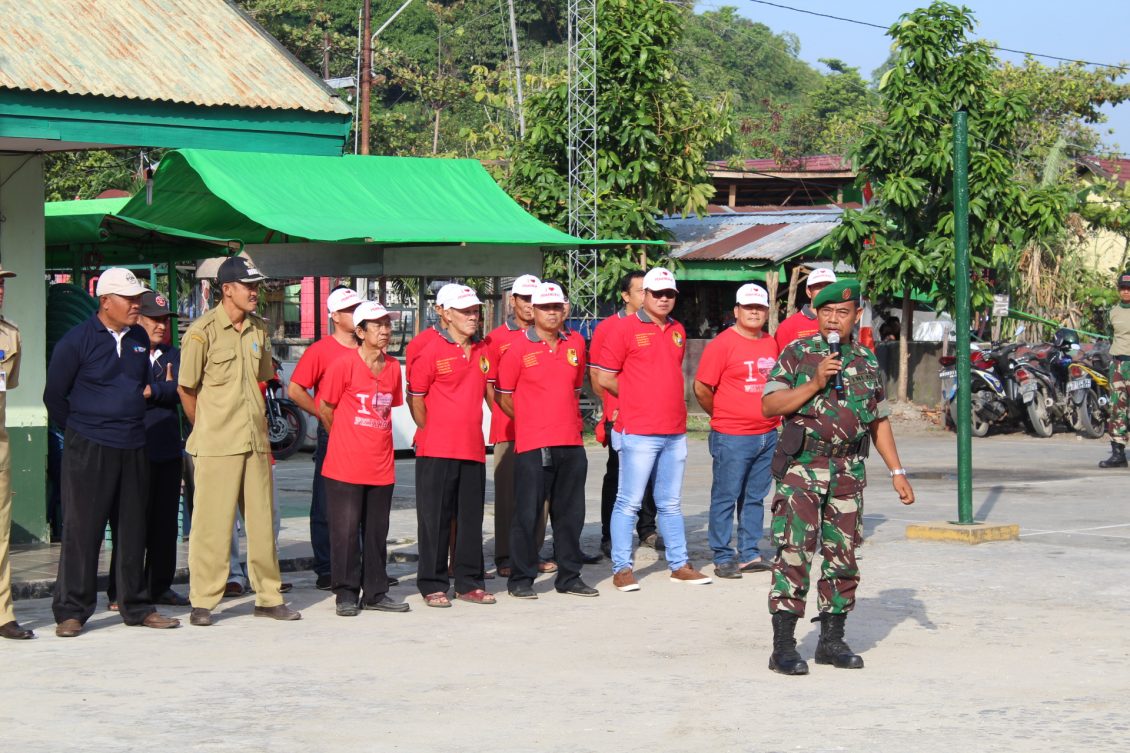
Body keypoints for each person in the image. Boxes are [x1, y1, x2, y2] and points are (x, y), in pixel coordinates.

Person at [760, 280, 915, 675]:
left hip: (848, 470)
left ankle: (832, 640)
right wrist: (814, 383)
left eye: (842, 313)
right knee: (794, 554)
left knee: (842, 557)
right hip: (802, 471)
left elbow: (878, 420)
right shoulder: (797, 353)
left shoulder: (865, 360)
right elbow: (769, 404)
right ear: (817, 314)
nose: (834, 318)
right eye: (827, 311)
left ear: (856, 317)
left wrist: (897, 472)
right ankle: (783, 647)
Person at [44, 268, 181, 636]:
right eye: (130, 299)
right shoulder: (76, 341)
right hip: (89, 447)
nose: (137, 306)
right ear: (106, 301)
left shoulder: (138, 338)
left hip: (134, 445)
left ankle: (135, 604)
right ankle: (72, 610)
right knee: (82, 531)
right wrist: (81, 431)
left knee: (133, 529)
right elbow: (54, 396)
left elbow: (139, 386)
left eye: (138, 299)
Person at [177, 256, 299, 626]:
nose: (254, 293)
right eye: (248, 286)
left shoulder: (258, 330)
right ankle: (203, 599)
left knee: (262, 525)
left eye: (256, 287)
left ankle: (268, 596)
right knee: (212, 525)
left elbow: (262, 377)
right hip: (217, 443)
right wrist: (208, 427)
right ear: (226, 289)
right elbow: (186, 388)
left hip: (255, 442)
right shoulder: (202, 332)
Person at [593, 267, 711, 591]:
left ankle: (679, 564)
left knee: (670, 502)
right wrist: (636, 399)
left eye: (669, 293)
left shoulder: (677, 330)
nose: (663, 298)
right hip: (639, 429)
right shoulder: (623, 329)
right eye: (656, 293)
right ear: (643, 295)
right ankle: (622, 568)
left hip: (674, 430)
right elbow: (604, 377)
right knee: (628, 501)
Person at [496, 282, 597, 599]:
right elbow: (503, 395)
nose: (552, 312)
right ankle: (521, 579)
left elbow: (576, 386)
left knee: (570, 515)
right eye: (545, 307)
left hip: (570, 441)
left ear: (564, 309)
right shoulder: (517, 348)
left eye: (557, 306)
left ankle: (569, 576)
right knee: (527, 514)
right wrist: (531, 420)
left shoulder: (576, 343)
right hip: (533, 444)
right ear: (533, 311)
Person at [319, 301, 410, 616]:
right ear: (360, 331)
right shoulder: (343, 365)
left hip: (381, 466)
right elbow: (326, 408)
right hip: (344, 466)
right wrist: (345, 438)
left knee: (376, 533)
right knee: (344, 533)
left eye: (387, 324)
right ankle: (345, 593)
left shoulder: (391, 368)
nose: (385, 330)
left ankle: (375, 591)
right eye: (377, 325)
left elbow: (386, 410)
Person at [407, 284, 493, 607]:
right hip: (436, 449)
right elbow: (415, 399)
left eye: (475, 311)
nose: (473, 317)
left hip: (472, 446)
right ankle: (432, 582)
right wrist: (431, 430)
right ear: (445, 313)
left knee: (471, 518)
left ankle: (469, 582)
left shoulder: (483, 350)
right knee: (434, 519)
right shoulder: (429, 350)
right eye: (466, 311)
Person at [693, 283, 781, 580]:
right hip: (732, 436)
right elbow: (702, 387)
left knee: (755, 496)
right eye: (748, 307)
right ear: (737, 311)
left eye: (759, 307)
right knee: (726, 496)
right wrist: (722, 414)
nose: (754, 312)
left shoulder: (771, 342)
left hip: (767, 434)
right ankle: (722, 555)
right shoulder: (722, 344)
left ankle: (749, 552)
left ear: (768, 312)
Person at [107, 291, 189, 609]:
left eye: (165, 321)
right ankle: (121, 589)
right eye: (154, 320)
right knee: (130, 523)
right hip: (133, 448)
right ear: (138, 319)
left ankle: (160, 586)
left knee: (165, 523)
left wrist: (154, 389)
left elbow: (180, 390)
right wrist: (163, 389)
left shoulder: (175, 356)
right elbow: (126, 390)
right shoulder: (127, 352)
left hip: (167, 450)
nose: (160, 326)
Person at [287, 286, 364, 589]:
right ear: (333, 316)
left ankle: (361, 566)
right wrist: (321, 413)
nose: (355, 313)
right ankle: (327, 568)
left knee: (364, 502)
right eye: (348, 310)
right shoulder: (321, 350)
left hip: (365, 433)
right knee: (326, 502)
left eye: (357, 307)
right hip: (333, 432)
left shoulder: (367, 347)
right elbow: (295, 390)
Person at [587, 271, 660, 559]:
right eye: (641, 291)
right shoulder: (609, 328)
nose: (647, 296)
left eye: (649, 291)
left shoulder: (659, 326)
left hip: (653, 414)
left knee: (651, 474)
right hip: (621, 413)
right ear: (626, 295)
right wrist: (612, 407)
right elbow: (597, 375)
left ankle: (647, 529)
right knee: (617, 475)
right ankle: (609, 535)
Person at [484, 274, 542, 577]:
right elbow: (489, 385)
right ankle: (505, 556)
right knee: (508, 494)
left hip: (542, 429)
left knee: (539, 495)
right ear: (513, 300)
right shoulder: (496, 338)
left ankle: (533, 552)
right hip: (508, 428)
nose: (531, 305)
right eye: (525, 299)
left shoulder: (548, 333)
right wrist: (508, 413)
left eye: (536, 299)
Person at [0, 265, 33, 640]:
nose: (0, 291)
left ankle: (2, 613)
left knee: (1, 537)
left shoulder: (11, 336)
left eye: (2, 284)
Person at [1099, 272, 1130, 468]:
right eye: (1123, 289)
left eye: (1129, 289)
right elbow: (1109, 335)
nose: (1126, 292)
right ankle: (1118, 453)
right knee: (1117, 408)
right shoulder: (1113, 312)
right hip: (1118, 365)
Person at [774, 267, 837, 350]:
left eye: (828, 286)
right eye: (818, 286)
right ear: (809, 292)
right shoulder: (788, 327)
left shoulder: (842, 323)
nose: (824, 291)